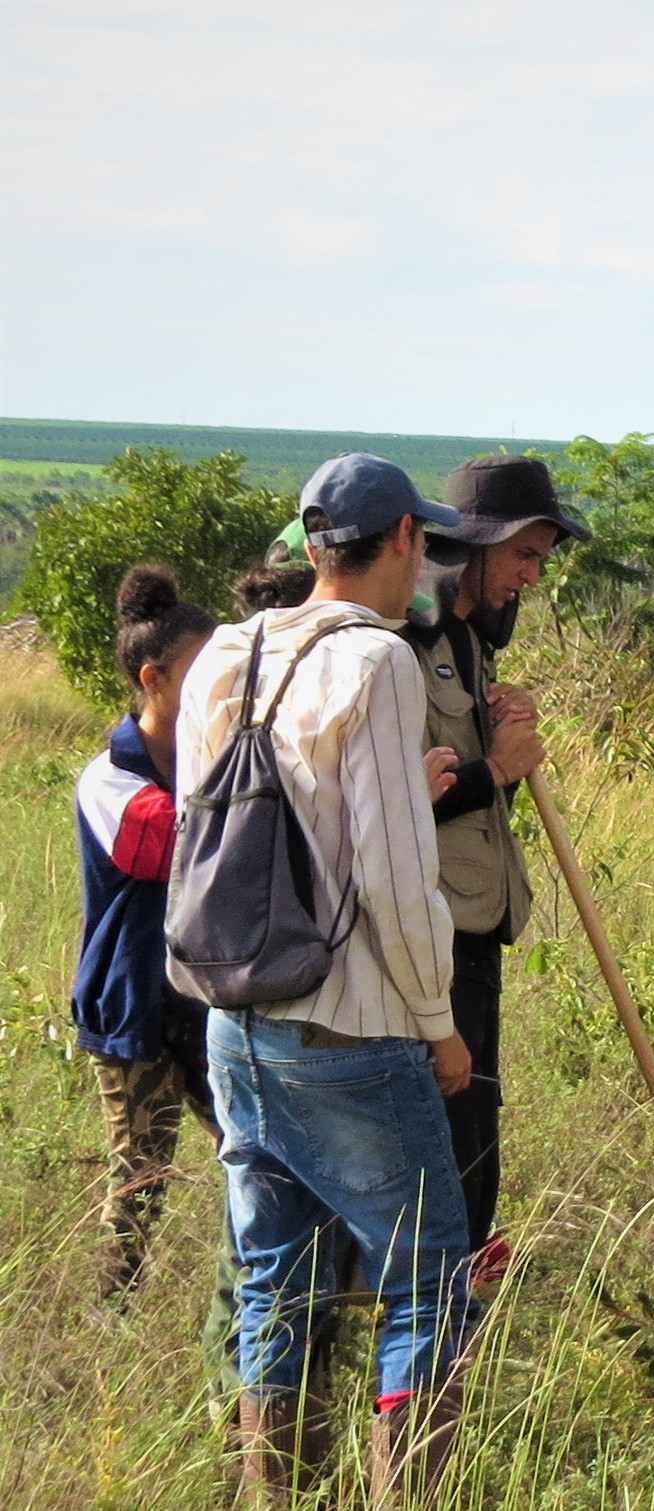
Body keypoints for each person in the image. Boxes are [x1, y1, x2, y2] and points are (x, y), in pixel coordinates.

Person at [184, 453, 475, 1504]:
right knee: (427, 1281)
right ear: (400, 536)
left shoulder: (227, 651)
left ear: (313, 543)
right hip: (347, 1031)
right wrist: (440, 1025)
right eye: (422, 542)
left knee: (274, 1285)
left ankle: (275, 1494)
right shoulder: (380, 662)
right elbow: (397, 880)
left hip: (234, 1019)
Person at [408, 454, 588, 1279]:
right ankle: (428, 1363)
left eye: (540, 559)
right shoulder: (405, 642)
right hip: (430, 936)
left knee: (478, 1142)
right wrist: (498, 768)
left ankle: (452, 1345)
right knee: (447, 1155)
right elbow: (389, 811)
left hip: (474, 931)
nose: (530, 576)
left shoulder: (470, 645)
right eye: (524, 553)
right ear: (475, 542)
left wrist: (499, 724)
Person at [72, 566, 221, 1297]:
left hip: (203, 995)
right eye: (205, 672)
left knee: (253, 1152)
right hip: (133, 1002)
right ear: (153, 677)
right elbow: (172, 849)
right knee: (140, 1176)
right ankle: (112, 1315)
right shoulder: (109, 778)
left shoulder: (208, 759)